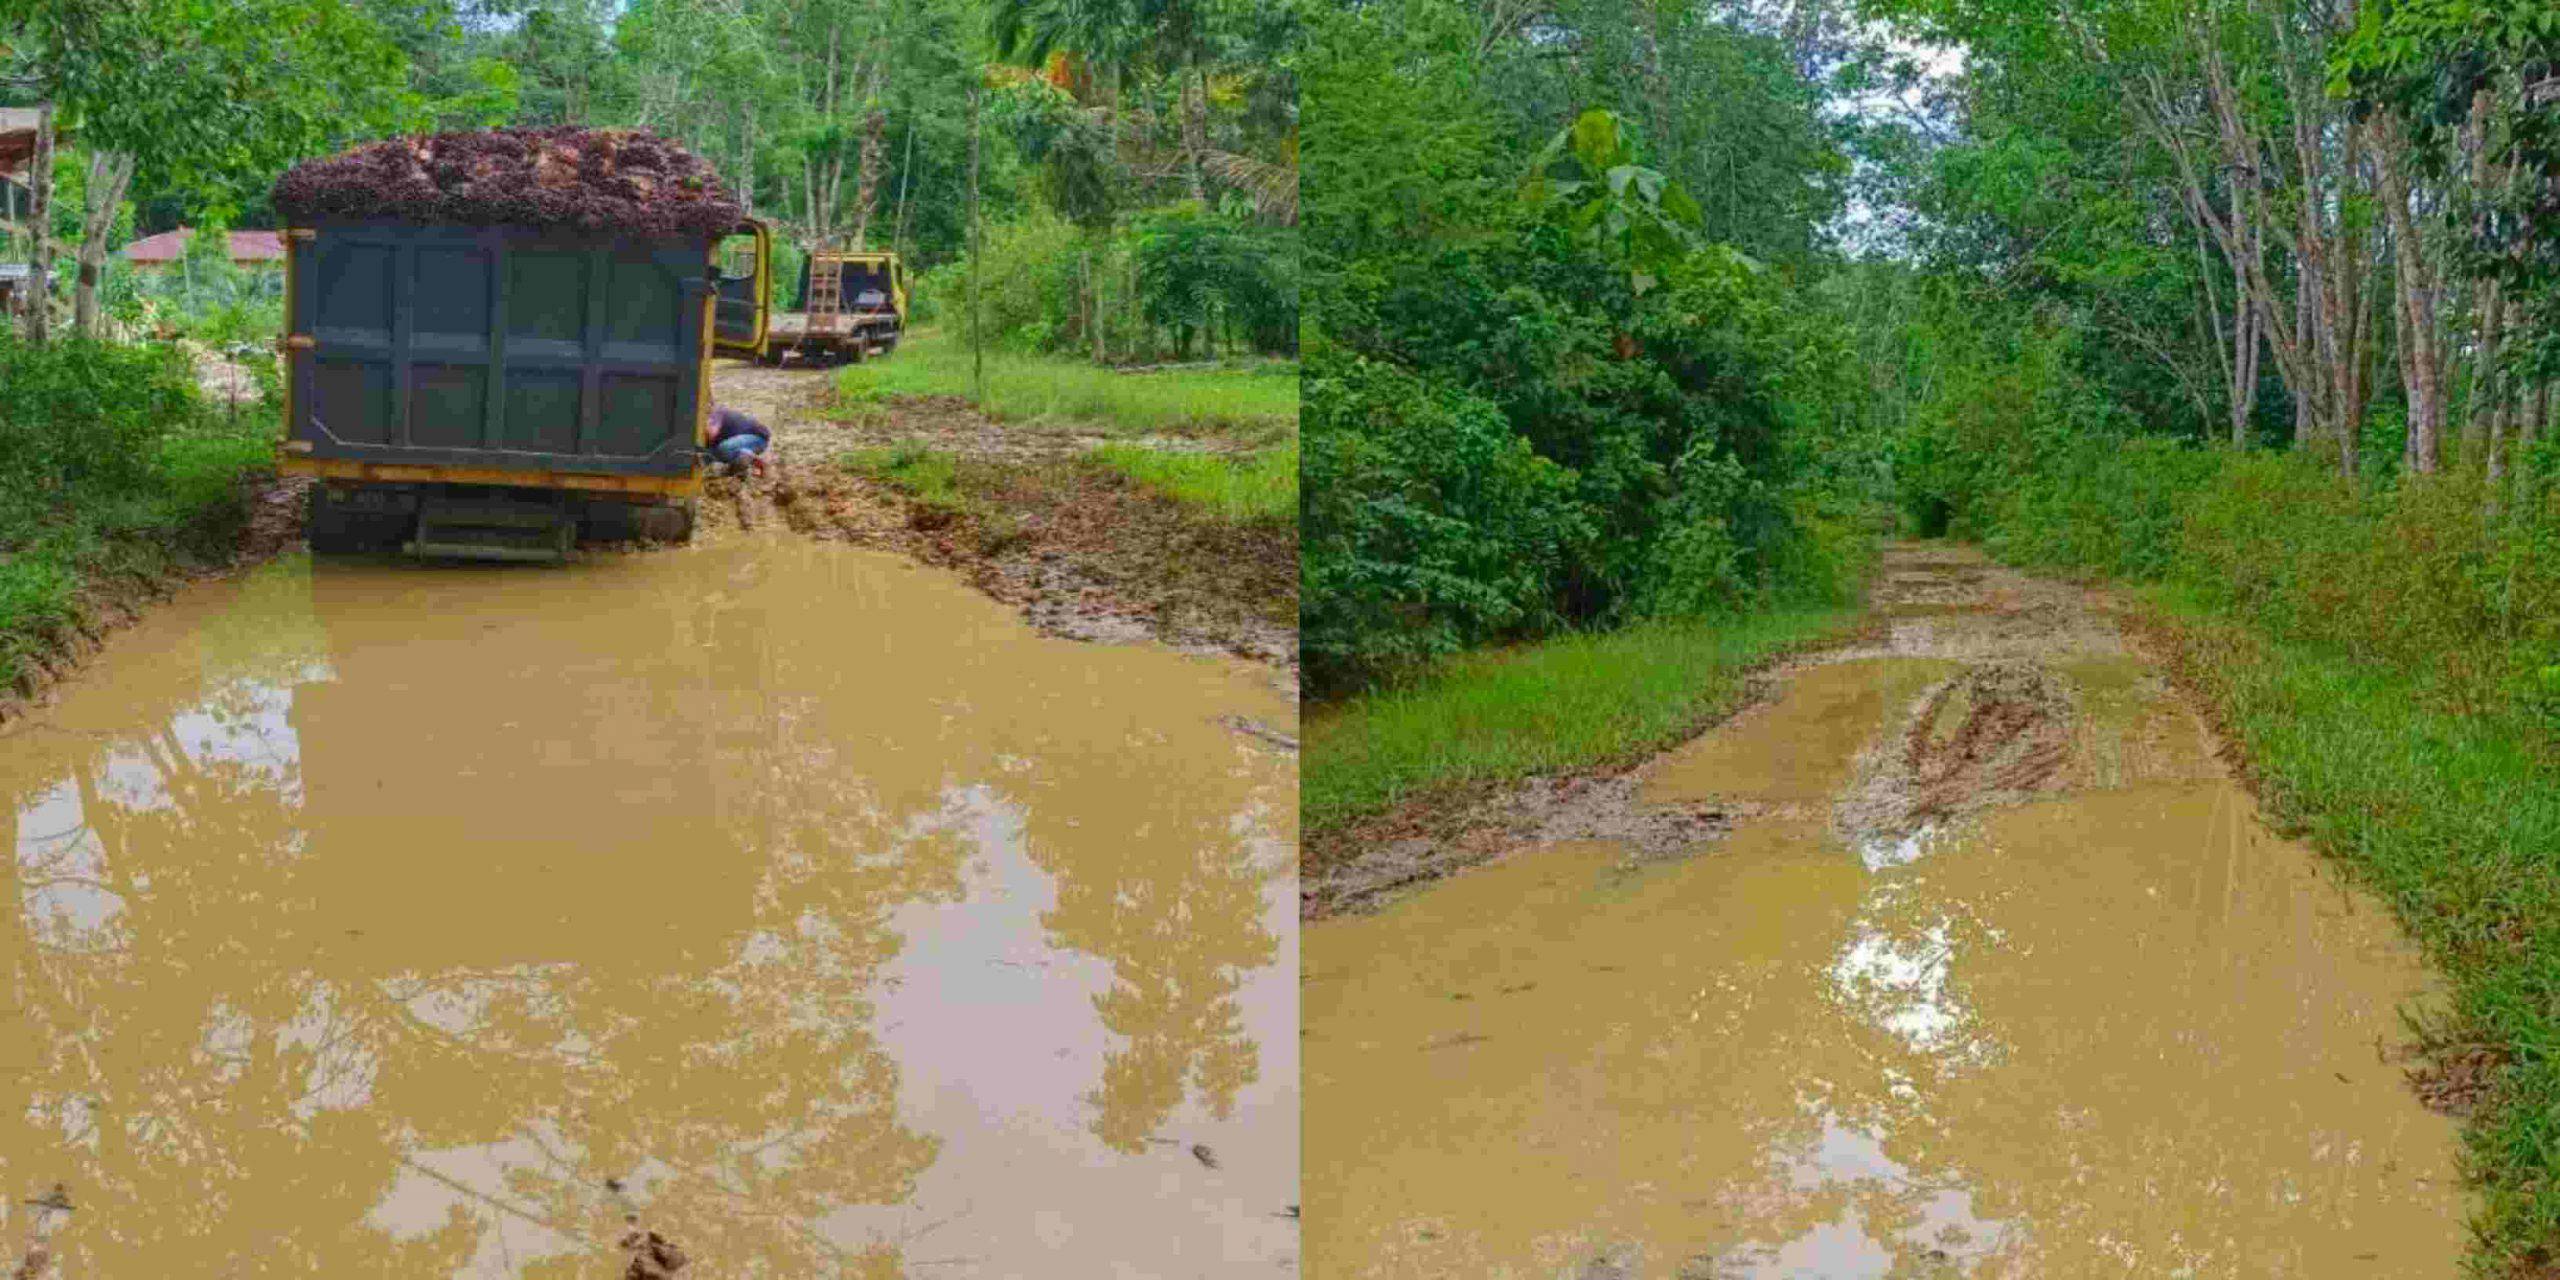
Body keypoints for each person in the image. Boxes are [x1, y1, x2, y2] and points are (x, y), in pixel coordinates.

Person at [706, 404, 770, 477]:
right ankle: (742, 468)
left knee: (724, 448)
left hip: (757, 438)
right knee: (713, 453)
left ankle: (748, 458)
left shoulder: (716, 412)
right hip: (739, 441)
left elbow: (711, 433)